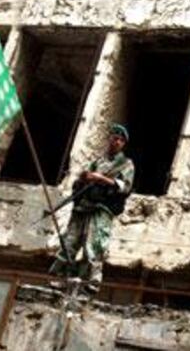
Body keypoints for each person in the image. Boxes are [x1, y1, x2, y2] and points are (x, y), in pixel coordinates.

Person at [49, 124, 135, 292]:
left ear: (123, 144)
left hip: (102, 209)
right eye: (114, 138)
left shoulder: (126, 164)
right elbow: (80, 181)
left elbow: (125, 187)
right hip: (83, 207)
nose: (116, 142)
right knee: (69, 242)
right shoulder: (97, 162)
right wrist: (85, 178)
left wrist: (102, 179)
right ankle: (60, 277)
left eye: (120, 140)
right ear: (109, 139)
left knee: (94, 246)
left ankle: (90, 283)